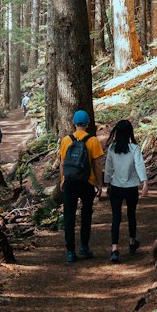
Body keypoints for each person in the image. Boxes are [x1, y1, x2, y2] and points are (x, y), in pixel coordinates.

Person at [58, 109, 105, 262]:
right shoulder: (92, 141)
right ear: (87, 124)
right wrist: (99, 183)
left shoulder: (66, 140)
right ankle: (84, 247)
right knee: (86, 214)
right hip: (86, 182)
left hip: (69, 182)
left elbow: (63, 163)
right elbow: (97, 164)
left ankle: (70, 251)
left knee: (69, 217)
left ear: (74, 123)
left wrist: (62, 180)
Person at [103, 118, 149, 261]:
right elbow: (139, 165)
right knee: (131, 215)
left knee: (116, 218)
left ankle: (114, 249)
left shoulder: (112, 148)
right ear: (130, 132)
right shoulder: (134, 148)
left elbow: (108, 168)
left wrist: (106, 183)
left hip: (116, 187)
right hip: (131, 188)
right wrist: (144, 182)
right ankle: (131, 241)